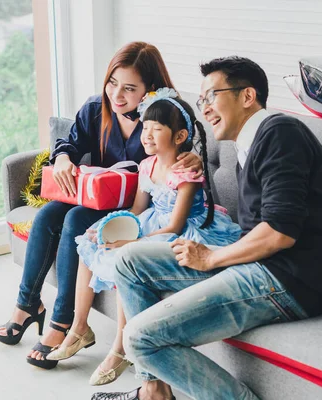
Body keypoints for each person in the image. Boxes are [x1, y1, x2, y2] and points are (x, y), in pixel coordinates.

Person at [92, 57, 322, 400]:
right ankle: (154, 392)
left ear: (247, 96)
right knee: (129, 261)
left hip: (291, 278)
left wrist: (212, 258)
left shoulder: (280, 133)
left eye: (211, 97)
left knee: (139, 337)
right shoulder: (249, 143)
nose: (206, 109)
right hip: (260, 265)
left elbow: (279, 232)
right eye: (201, 102)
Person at [0, 42, 203, 370]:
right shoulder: (96, 109)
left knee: (76, 218)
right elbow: (70, 142)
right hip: (102, 198)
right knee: (49, 213)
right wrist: (62, 158)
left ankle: (64, 325)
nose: (117, 95)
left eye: (130, 88)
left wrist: (193, 155)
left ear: (151, 88)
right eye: (112, 83)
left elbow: (192, 145)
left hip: (139, 210)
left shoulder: (166, 114)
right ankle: (28, 305)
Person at [46, 88, 242, 386]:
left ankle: (120, 347)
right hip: (152, 223)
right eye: (145, 128)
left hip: (186, 229)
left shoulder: (186, 175)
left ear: (178, 137)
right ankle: (79, 327)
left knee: (130, 261)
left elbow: (176, 227)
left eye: (156, 129)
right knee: (90, 241)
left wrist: (131, 243)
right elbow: (138, 211)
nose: (147, 135)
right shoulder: (147, 165)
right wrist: (107, 228)